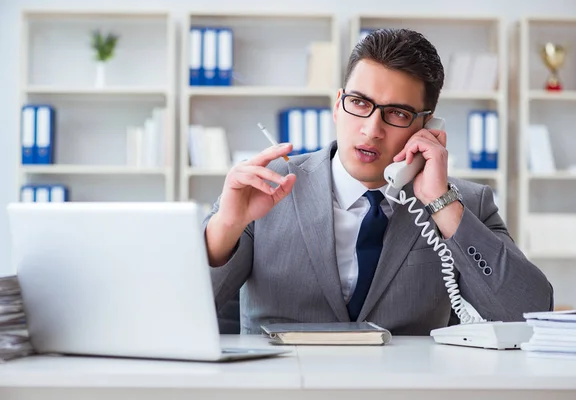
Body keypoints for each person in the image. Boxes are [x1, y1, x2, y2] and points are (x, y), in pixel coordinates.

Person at [203, 28, 554, 335]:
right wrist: (227, 227)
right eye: (359, 103)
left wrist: (442, 205)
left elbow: (529, 315)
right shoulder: (263, 186)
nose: (372, 130)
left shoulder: (466, 202)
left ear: (428, 127)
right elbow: (181, 308)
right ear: (339, 105)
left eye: (397, 113)